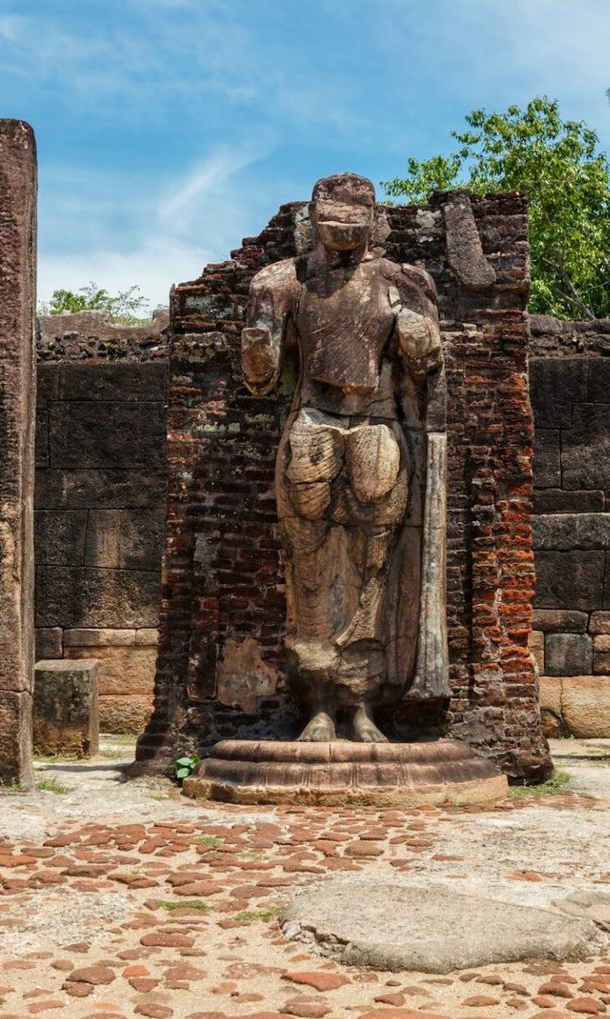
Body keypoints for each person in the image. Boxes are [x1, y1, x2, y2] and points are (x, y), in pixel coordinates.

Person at [240, 174, 446, 743]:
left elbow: (428, 368)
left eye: (355, 221)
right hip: (313, 417)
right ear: (312, 220)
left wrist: (416, 332)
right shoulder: (283, 281)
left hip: (378, 420)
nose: (343, 236)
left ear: (376, 222)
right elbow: (258, 381)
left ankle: (361, 701)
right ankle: (318, 702)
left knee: (374, 564)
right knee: (308, 565)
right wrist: (260, 334)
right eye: (331, 222)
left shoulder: (402, 281)